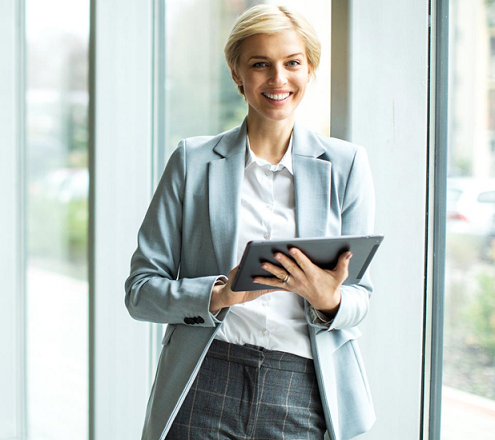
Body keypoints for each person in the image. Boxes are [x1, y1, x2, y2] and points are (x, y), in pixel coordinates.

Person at [125, 4, 376, 440]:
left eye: (292, 62)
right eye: (260, 64)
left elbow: (363, 299)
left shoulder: (346, 165)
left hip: (302, 388)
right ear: (237, 71)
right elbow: (140, 291)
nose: (278, 79)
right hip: (206, 380)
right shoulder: (193, 161)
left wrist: (328, 299)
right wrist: (219, 294)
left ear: (310, 68)